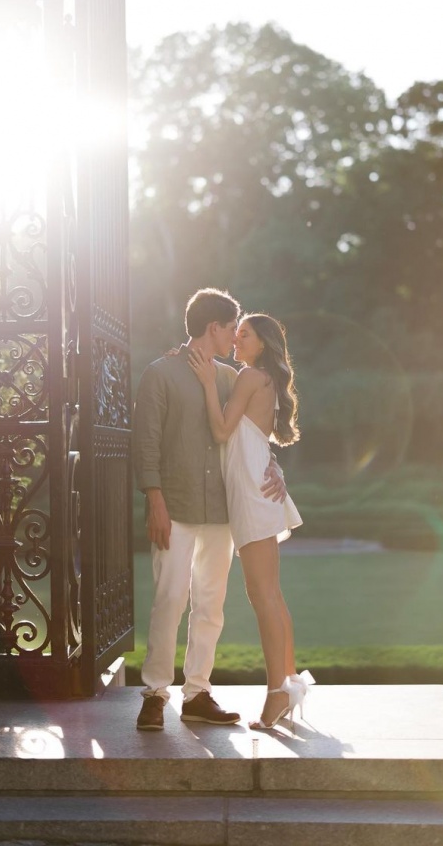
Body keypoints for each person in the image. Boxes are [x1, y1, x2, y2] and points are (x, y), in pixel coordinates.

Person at [132, 288, 287, 732]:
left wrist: (273, 463)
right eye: (231, 328)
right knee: (169, 599)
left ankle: (197, 693)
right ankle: (155, 694)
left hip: (221, 508)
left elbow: (251, 432)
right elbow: (146, 443)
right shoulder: (159, 373)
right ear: (213, 328)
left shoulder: (230, 378)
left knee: (210, 604)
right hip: (175, 505)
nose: (235, 338)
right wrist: (154, 499)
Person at [188, 313, 312, 731]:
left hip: (252, 491)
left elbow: (223, 431)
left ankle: (277, 692)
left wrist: (207, 383)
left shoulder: (249, 378)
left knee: (262, 597)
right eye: (235, 333)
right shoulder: (261, 378)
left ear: (261, 344)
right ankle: (290, 682)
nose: (237, 340)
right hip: (258, 482)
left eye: (244, 335)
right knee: (270, 595)